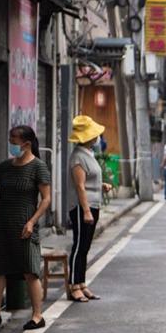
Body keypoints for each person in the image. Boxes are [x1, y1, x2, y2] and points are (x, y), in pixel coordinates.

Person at [0, 125, 51, 330]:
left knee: (30, 270)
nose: (11, 144)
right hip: (2, 225)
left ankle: (37, 316)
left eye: (13, 141)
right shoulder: (6, 167)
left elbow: (46, 199)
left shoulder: (38, 167)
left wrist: (32, 221)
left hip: (25, 225)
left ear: (26, 144)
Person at [67, 115, 112, 302]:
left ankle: (82, 283)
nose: (97, 137)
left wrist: (102, 185)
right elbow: (79, 186)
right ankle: (73, 286)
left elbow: (89, 180)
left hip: (93, 203)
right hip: (81, 206)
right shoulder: (78, 157)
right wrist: (85, 211)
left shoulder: (88, 154)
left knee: (85, 246)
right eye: (94, 135)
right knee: (79, 245)